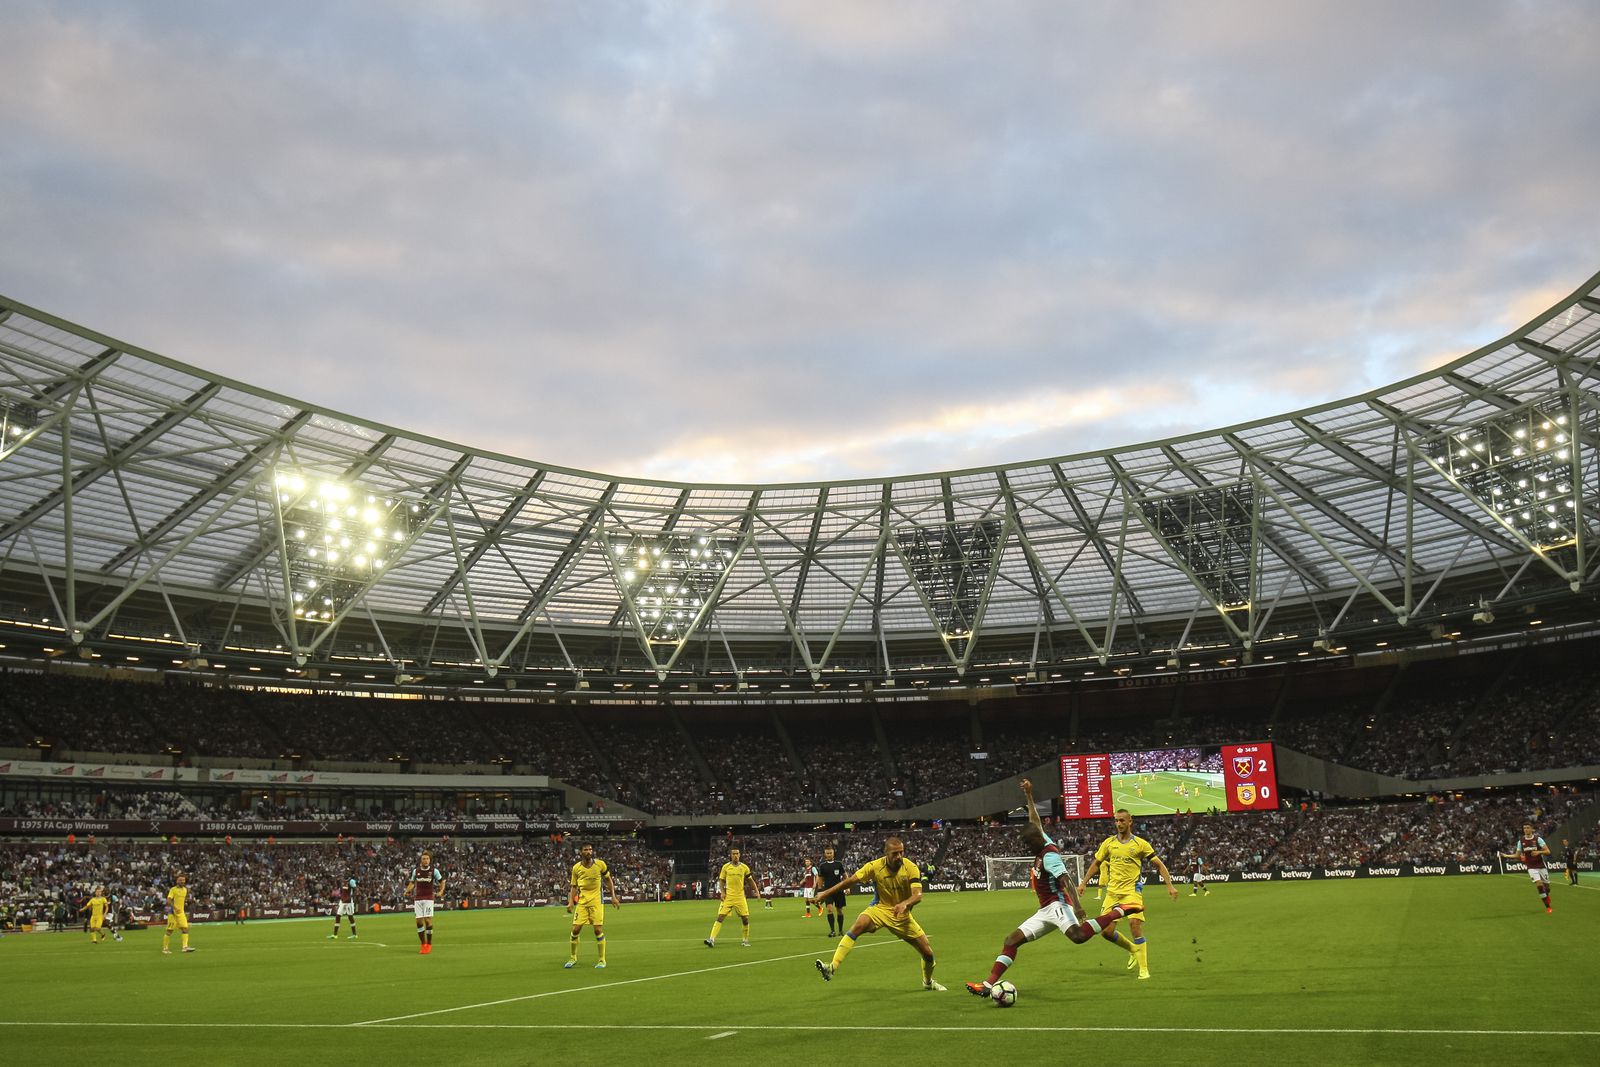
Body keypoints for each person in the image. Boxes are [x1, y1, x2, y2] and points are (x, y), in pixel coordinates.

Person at [964, 780, 1144, 998]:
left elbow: (1067, 880)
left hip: (1058, 905)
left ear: (1036, 841)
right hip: (1045, 910)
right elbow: (1034, 821)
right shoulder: (1041, 840)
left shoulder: (1049, 856)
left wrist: (1077, 908)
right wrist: (1029, 796)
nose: (1028, 849)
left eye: (1029, 845)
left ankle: (1120, 910)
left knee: (1078, 936)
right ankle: (987, 985)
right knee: (1011, 941)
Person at [813, 836, 944, 991]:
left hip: (901, 916)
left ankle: (928, 982)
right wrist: (824, 893)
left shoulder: (910, 867)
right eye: (895, 853)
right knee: (858, 926)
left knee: (928, 954)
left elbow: (918, 895)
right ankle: (832, 967)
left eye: (901, 852)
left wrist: (905, 903)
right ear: (886, 853)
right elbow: (850, 881)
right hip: (881, 909)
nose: (899, 856)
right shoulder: (874, 866)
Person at [1078, 808, 1177, 980]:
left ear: (1130, 821)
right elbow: (1096, 863)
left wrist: (1170, 886)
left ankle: (1144, 969)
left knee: (1134, 925)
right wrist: (1084, 882)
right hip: (1112, 893)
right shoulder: (1109, 843)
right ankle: (1133, 949)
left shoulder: (1140, 844)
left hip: (1132, 891)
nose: (1119, 824)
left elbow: (1159, 865)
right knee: (1106, 932)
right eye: (1116, 820)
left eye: (1122, 820)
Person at [566, 843, 620, 969]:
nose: (589, 851)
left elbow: (608, 880)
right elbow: (573, 886)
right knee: (575, 929)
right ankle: (573, 957)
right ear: (581, 852)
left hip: (596, 901)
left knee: (597, 930)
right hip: (582, 902)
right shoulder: (576, 868)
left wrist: (613, 896)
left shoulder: (600, 864)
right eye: (586, 849)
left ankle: (602, 960)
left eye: (590, 849)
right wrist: (570, 902)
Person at [704, 847, 757, 947]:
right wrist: (722, 892)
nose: (735, 855)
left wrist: (757, 892)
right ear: (731, 855)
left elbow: (750, 880)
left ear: (740, 855)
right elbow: (721, 881)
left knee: (745, 918)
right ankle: (711, 939)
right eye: (733, 854)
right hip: (728, 897)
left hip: (740, 897)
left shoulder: (744, 867)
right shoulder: (726, 867)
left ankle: (745, 940)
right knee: (720, 916)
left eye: (737, 853)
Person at [1499, 823, 1553, 913]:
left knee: (1547, 887)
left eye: (1528, 828)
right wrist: (1505, 855)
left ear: (1532, 829)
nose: (1526, 830)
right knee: (1539, 885)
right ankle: (1548, 907)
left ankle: (1546, 895)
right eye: (1524, 828)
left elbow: (1548, 851)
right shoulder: (1521, 841)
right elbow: (1517, 855)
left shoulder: (1538, 839)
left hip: (1541, 865)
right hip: (1531, 867)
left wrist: (1538, 852)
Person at [406, 850, 446, 954]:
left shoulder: (434, 871)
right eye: (424, 859)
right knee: (419, 921)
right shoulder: (416, 871)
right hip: (418, 898)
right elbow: (412, 883)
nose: (426, 860)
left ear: (430, 860)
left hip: (428, 898)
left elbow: (442, 881)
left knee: (428, 920)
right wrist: (407, 890)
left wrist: (441, 891)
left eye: (427, 859)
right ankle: (423, 944)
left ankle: (429, 944)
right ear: (421, 860)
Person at [816, 846, 846, 936]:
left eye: (830, 853)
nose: (829, 855)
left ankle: (840, 931)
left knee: (839, 910)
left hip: (839, 890)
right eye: (827, 853)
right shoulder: (822, 865)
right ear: (825, 854)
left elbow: (845, 875)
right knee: (829, 909)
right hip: (828, 891)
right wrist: (820, 890)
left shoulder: (839, 864)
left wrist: (847, 887)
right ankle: (832, 931)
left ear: (833, 854)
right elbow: (820, 879)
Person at [162, 872, 195, 955]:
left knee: (185, 929)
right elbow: (168, 901)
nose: (182, 882)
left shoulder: (185, 890)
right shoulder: (173, 889)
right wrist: (174, 907)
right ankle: (165, 949)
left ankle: (185, 947)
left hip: (181, 913)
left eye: (183, 880)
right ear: (177, 881)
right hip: (172, 913)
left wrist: (187, 902)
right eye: (180, 880)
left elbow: (182, 900)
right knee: (169, 930)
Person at [328, 874, 358, 940]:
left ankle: (354, 934)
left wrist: (350, 897)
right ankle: (335, 935)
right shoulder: (344, 882)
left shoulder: (351, 881)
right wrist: (341, 897)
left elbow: (356, 891)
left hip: (348, 903)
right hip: (342, 902)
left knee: (350, 917)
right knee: (338, 916)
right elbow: (344, 891)